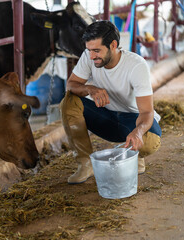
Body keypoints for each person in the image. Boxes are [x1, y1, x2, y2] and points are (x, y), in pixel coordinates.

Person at [60, 20, 162, 184]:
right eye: (89, 50)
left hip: (131, 120)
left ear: (113, 45)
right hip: (105, 116)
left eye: (97, 51)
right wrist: (90, 89)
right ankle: (85, 164)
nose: (92, 56)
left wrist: (138, 132)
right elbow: (71, 85)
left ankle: (135, 155)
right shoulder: (89, 56)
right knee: (68, 101)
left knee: (150, 142)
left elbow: (146, 112)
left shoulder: (136, 66)